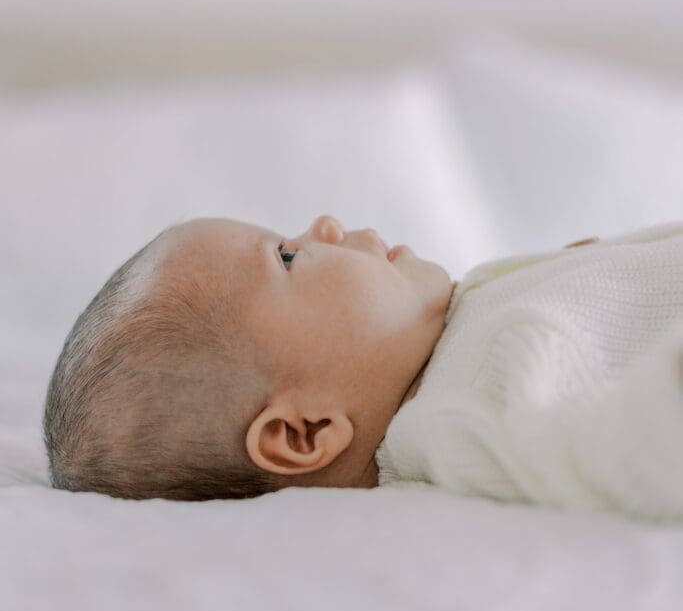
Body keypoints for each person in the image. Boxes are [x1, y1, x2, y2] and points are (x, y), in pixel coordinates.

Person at [43, 215, 683, 520]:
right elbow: (626, 450)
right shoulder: (461, 417)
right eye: (288, 258)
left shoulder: (456, 326)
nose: (324, 224)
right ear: (304, 433)